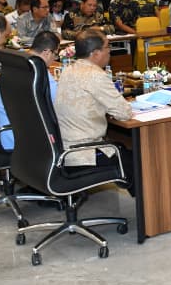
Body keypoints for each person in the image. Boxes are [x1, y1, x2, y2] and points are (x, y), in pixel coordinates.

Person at [53, 30, 134, 190]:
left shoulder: (69, 69)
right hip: (83, 152)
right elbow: (124, 113)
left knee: (123, 148)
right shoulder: (95, 75)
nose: (109, 51)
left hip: (63, 148)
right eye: (107, 47)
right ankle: (150, 204)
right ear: (96, 53)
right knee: (136, 160)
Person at [0, 30, 60, 150]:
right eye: (55, 54)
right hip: (21, 142)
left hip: (0, 135)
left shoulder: (13, 62)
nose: (55, 58)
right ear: (47, 52)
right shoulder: (41, 75)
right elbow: (58, 109)